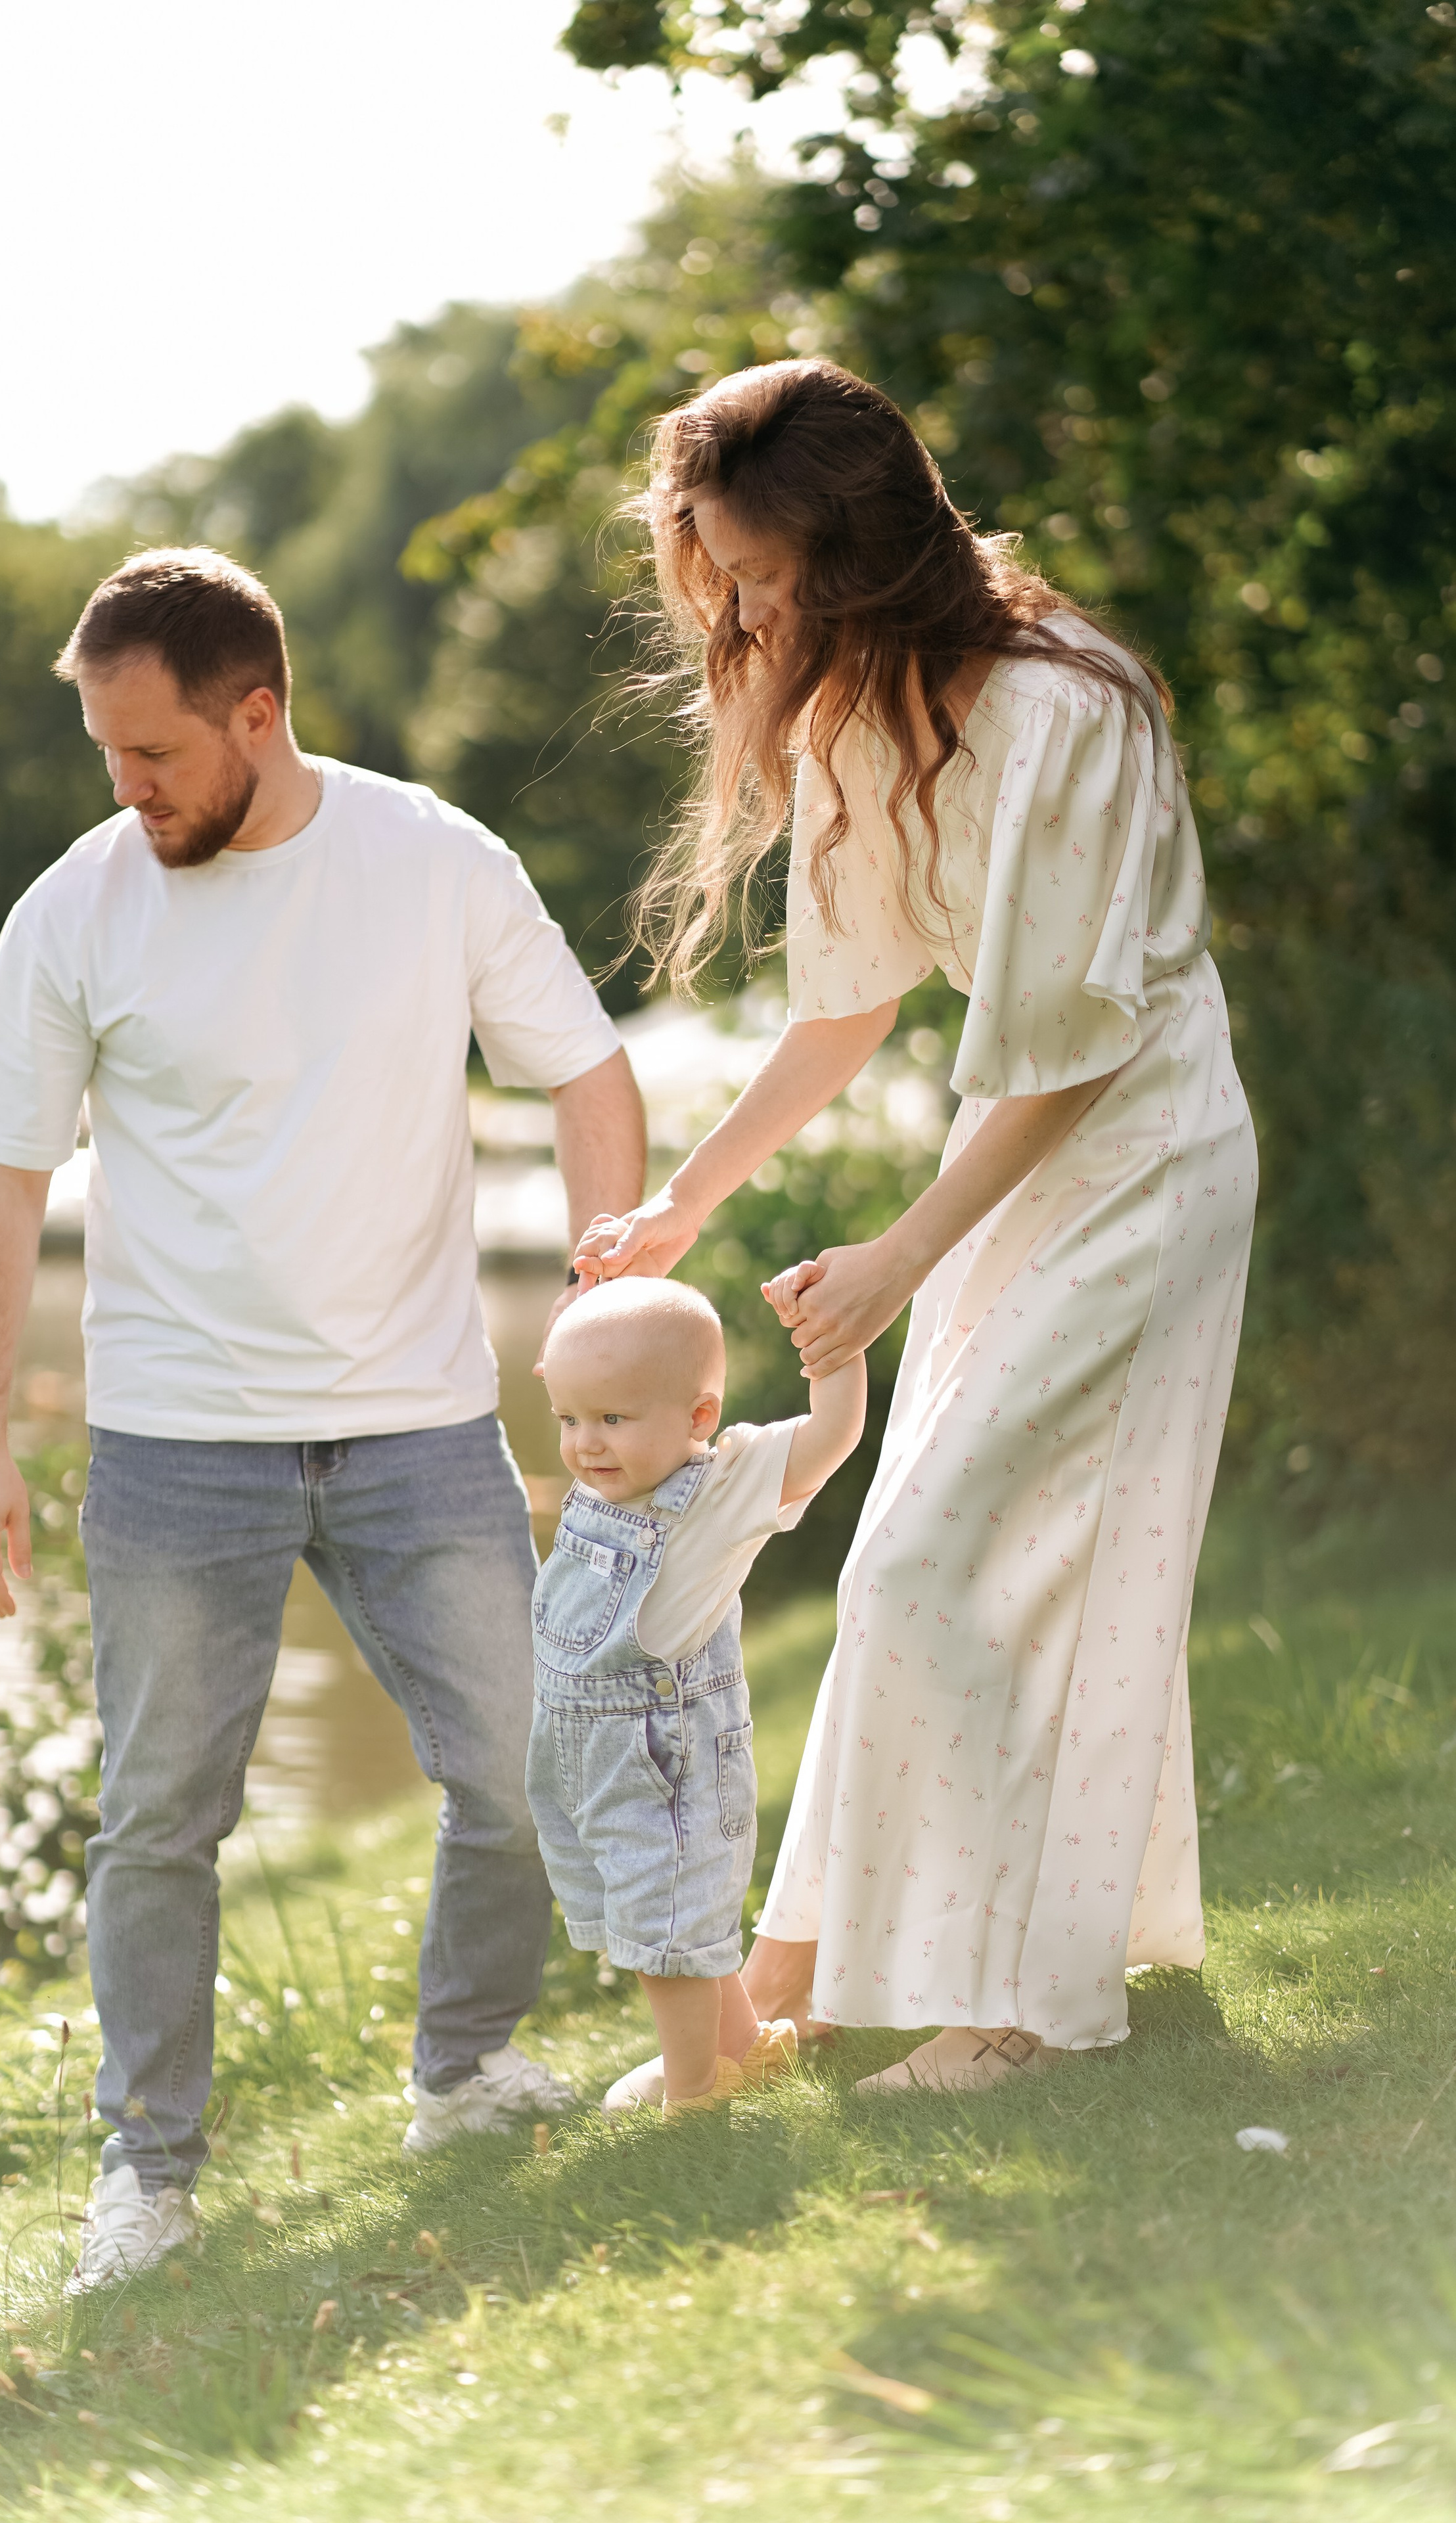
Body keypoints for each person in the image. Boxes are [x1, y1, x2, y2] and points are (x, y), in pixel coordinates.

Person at [0, 547, 645, 2283]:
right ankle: (148, 2175)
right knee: (160, 1819)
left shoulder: (433, 862)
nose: (127, 787)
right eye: (107, 753)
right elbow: (0, 1181)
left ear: (257, 714)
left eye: (154, 752)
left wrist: (601, 1313)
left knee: (522, 1760)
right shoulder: (77, 909)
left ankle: (464, 2071)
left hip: (419, 1423)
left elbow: (588, 1072)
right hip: (177, 1442)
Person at [577, 359, 1256, 2097]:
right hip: (1009, 1148)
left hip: (1140, 1152)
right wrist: (685, 1201)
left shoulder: (1067, 706)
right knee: (913, 1560)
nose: (736, 613)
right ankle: (783, 1988)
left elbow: (1079, 1048)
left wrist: (899, 1258)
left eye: (757, 574)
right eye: (721, 574)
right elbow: (850, 1005)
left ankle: (1028, 2006)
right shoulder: (856, 709)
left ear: (856, 548)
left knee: (952, 1562)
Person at [528, 1276, 864, 2109]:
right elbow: (587, 1367)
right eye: (569, 1419)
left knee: (667, 1940)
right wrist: (587, 1307)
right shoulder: (611, 1480)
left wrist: (832, 1346)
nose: (585, 1444)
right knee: (670, 1922)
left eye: (612, 1419)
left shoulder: (718, 1491)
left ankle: (695, 2097)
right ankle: (743, 2051)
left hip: (664, 1763)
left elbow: (831, 1435)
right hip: (590, 1762)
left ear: (699, 1417)